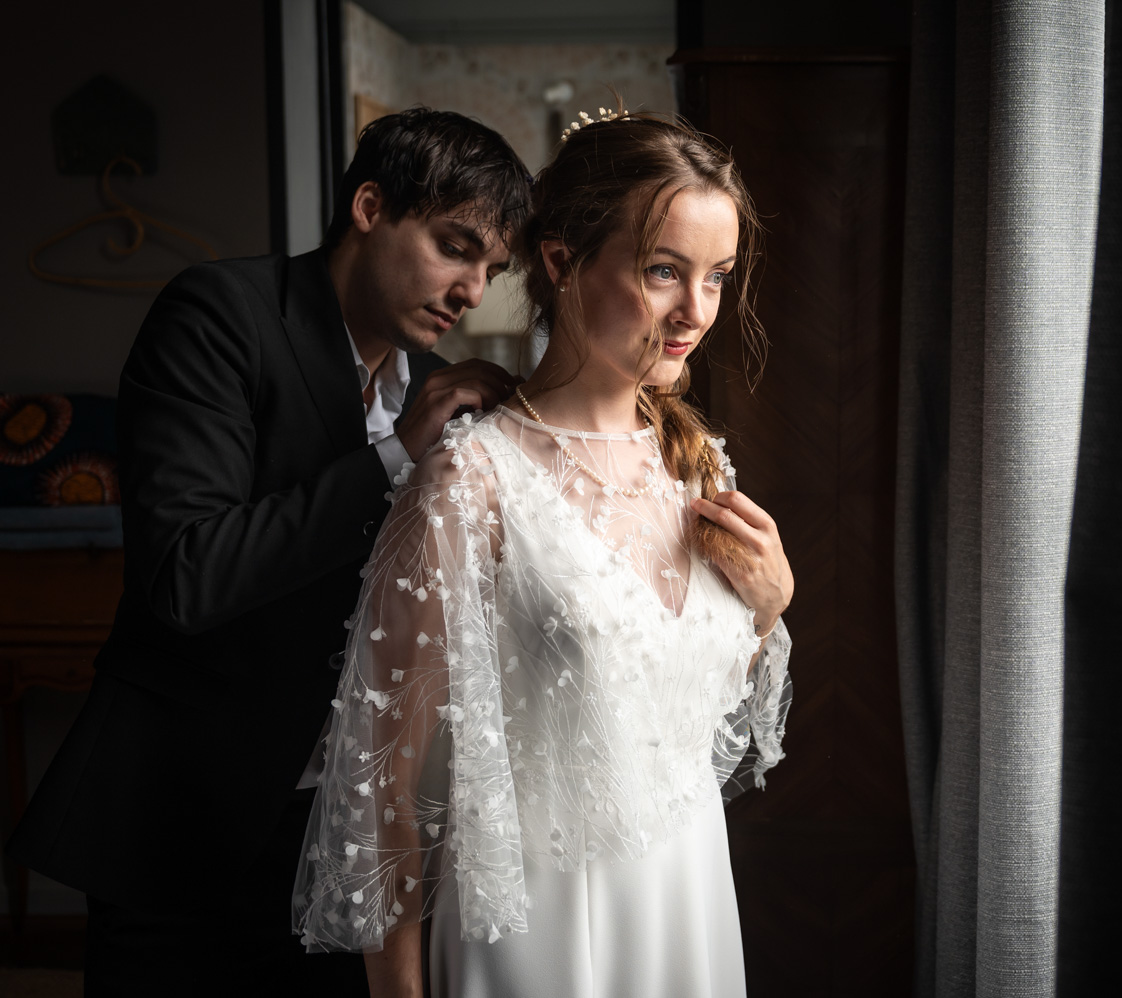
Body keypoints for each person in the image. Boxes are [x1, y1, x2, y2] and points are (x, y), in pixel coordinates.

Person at [6, 108, 530, 994]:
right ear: (370, 207)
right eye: (455, 248)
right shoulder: (220, 313)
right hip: (183, 819)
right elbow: (187, 572)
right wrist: (396, 453)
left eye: (492, 270)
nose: (473, 290)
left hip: (338, 830)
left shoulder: (423, 388)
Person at [293, 107, 795, 997]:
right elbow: (385, 785)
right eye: (664, 271)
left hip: (688, 906)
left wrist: (767, 607)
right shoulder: (472, 480)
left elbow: (696, 719)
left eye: (717, 277)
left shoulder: (696, 466)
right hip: (541, 931)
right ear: (561, 263)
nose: (696, 311)